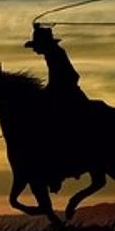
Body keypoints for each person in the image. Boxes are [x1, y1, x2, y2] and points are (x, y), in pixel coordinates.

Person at [25, 24, 92, 193]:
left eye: (36, 47)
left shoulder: (55, 54)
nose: (35, 51)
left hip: (68, 96)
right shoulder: (52, 54)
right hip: (64, 93)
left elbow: (69, 77)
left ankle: (57, 167)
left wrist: (49, 92)